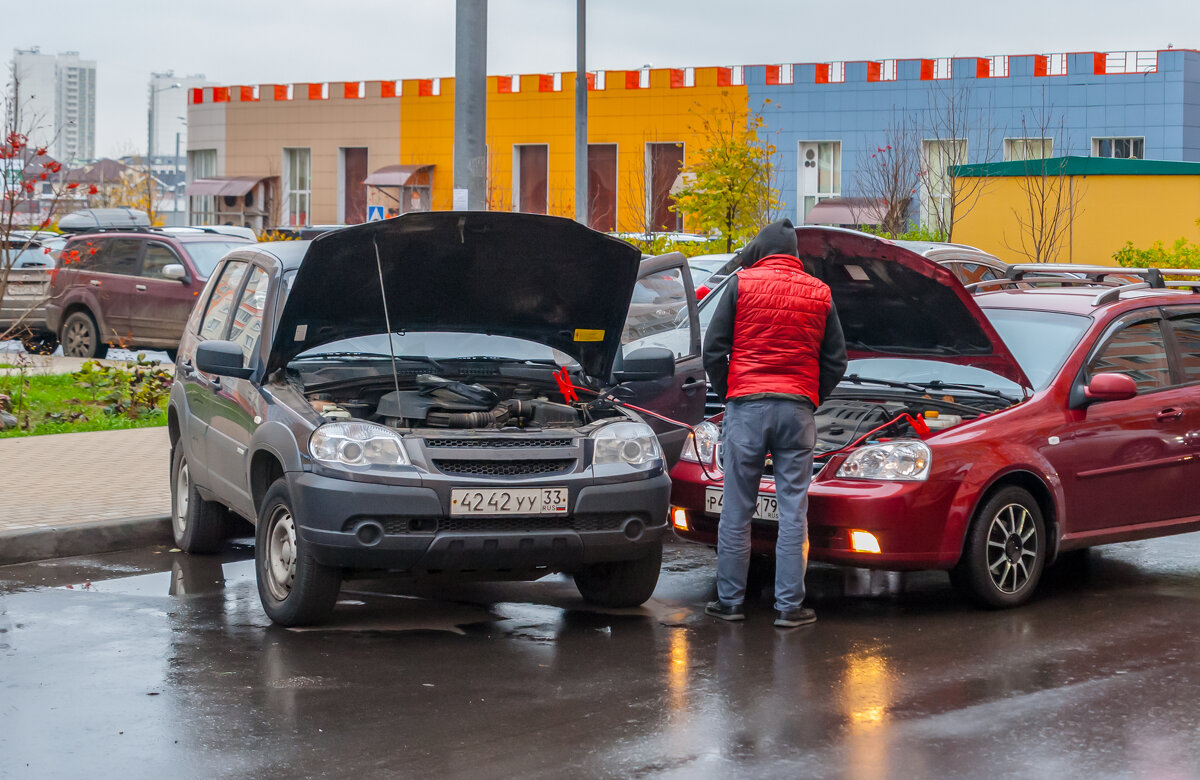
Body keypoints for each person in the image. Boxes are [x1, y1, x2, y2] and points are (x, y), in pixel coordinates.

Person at [701, 219, 847, 628]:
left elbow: (713, 350)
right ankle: (789, 608)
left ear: (762, 250)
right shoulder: (820, 293)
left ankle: (729, 603)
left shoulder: (741, 284)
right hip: (797, 411)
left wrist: (731, 390)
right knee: (792, 510)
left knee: (737, 510)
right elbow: (837, 360)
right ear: (794, 254)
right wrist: (810, 395)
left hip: (747, 408)